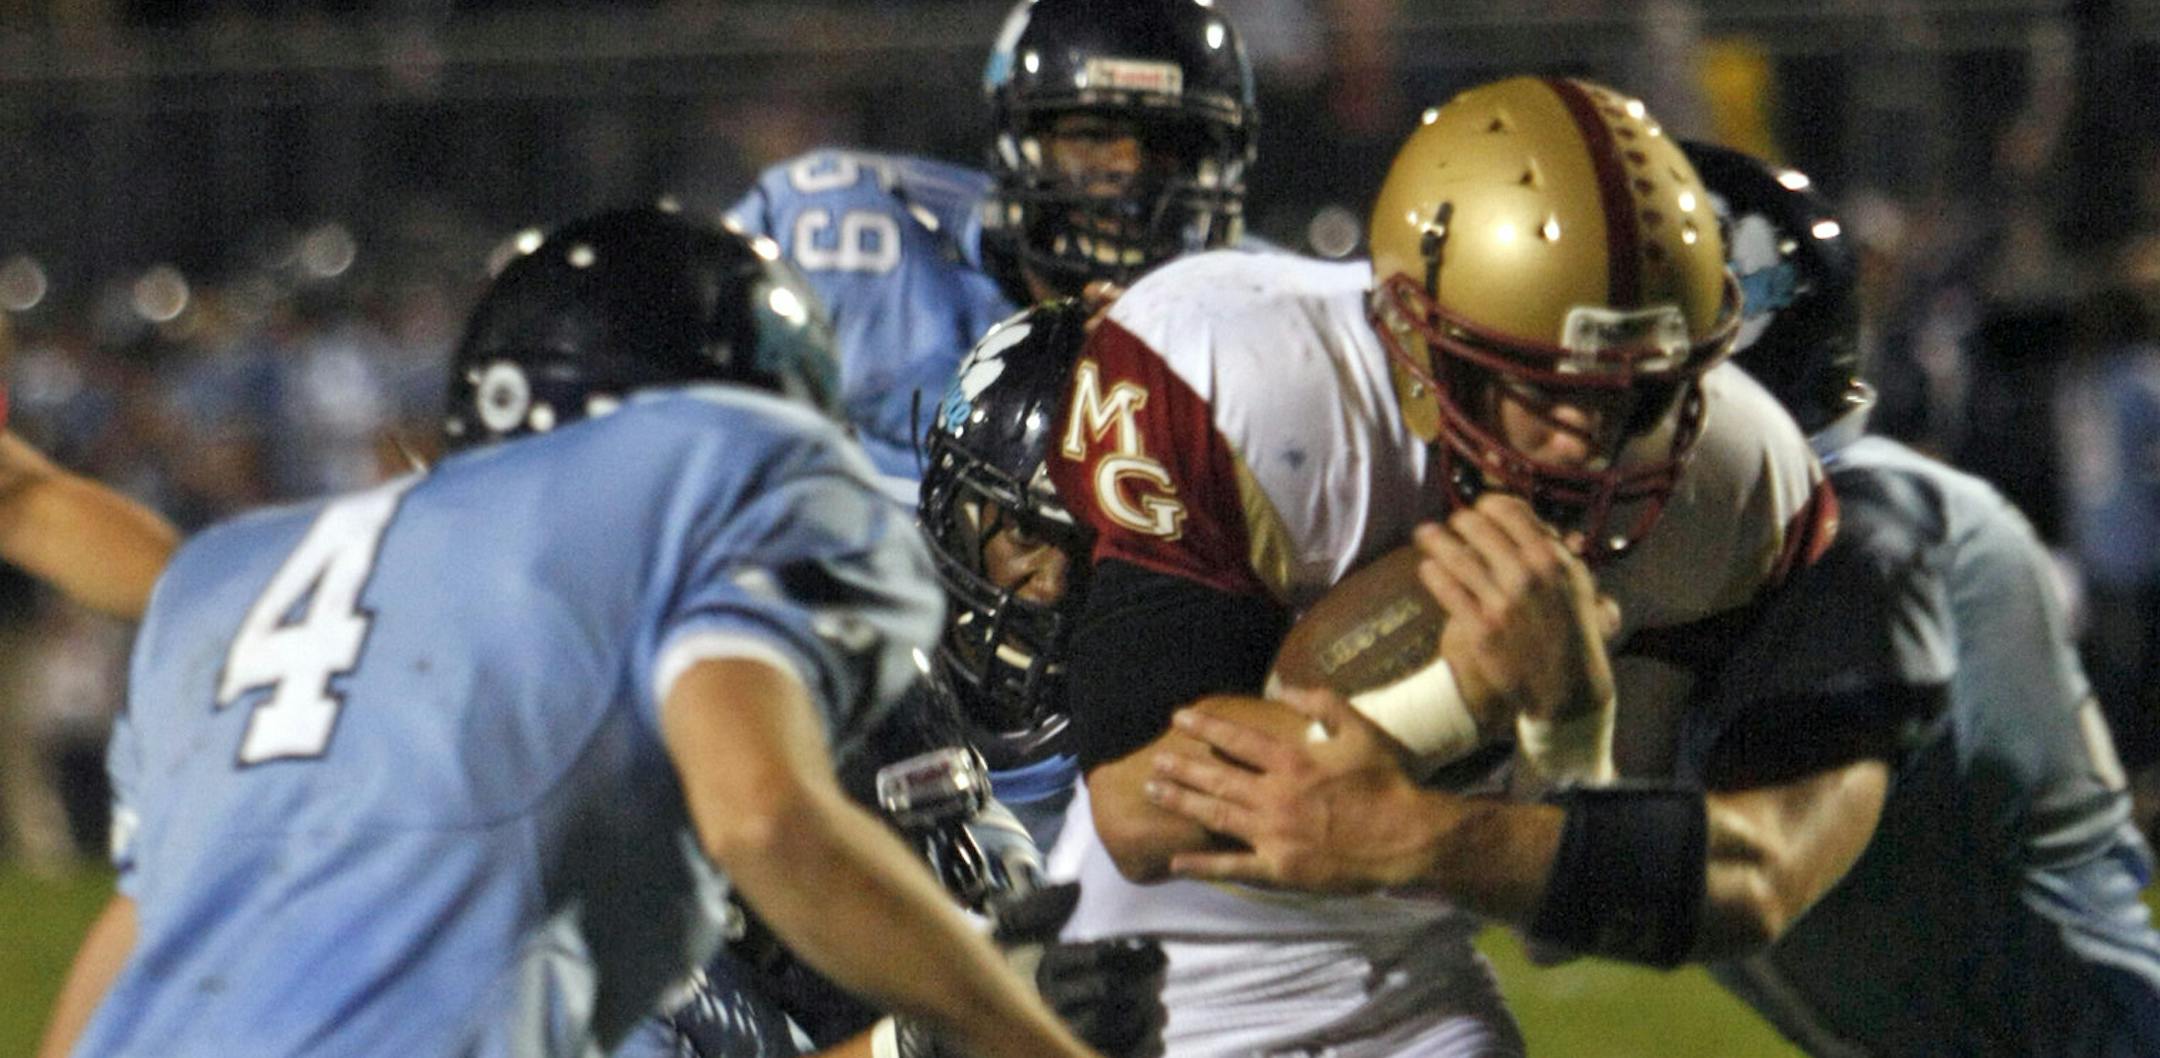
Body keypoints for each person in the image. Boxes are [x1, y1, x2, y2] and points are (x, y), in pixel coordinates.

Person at [1142, 144, 2160, 1056]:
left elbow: (1755, 872)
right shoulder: (1679, 573)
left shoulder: (1877, 532)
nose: (1565, 429)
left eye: (1610, 387)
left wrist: (1417, 829)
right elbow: (1575, 899)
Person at [36, 207, 1109, 1058]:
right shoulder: (603, 622)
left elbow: (134, 952)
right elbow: (763, 823)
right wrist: (984, 1031)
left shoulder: (245, 585)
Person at [1042, 75, 1829, 1056]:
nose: (1586, 440)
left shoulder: (1737, 481)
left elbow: (1571, 926)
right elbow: (1139, 810)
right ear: (1416, 336)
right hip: (1139, 970)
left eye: (1637, 392)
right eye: (1540, 386)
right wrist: (1462, 692)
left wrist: (1572, 728)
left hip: (1411, 977)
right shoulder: (1249, 374)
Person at [724, 0, 1259, 492]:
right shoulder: (839, 225)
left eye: (1171, 142)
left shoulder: (1266, 317)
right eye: (1092, 134)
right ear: (1018, 140)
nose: (1129, 168)